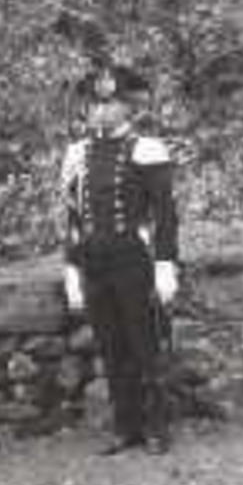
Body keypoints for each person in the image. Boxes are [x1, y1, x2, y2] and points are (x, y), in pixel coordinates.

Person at [61, 64, 181, 456]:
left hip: (132, 258)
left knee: (144, 344)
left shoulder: (147, 149)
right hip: (94, 260)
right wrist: (71, 269)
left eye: (110, 103)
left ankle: (157, 427)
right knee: (111, 347)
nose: (101, 111)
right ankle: (125, 426)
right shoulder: (77, 154)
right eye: (96, 104)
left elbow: (165, 215)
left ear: (129, 106)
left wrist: (165, 266)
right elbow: (72, 219)